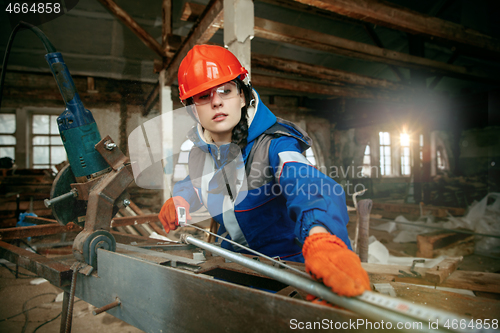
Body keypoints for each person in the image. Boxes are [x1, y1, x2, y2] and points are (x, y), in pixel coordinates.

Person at [159, 45, 370, 297]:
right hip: (230, 261)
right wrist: (180, 197)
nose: (216, 101)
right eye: (203, 96)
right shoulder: (199, 153)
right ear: (193, 108)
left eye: (225, 90)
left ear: (242, 94)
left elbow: (308, 183)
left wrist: (321, 236)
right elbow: (196, 182)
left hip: (286, 267)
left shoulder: (275, 143)